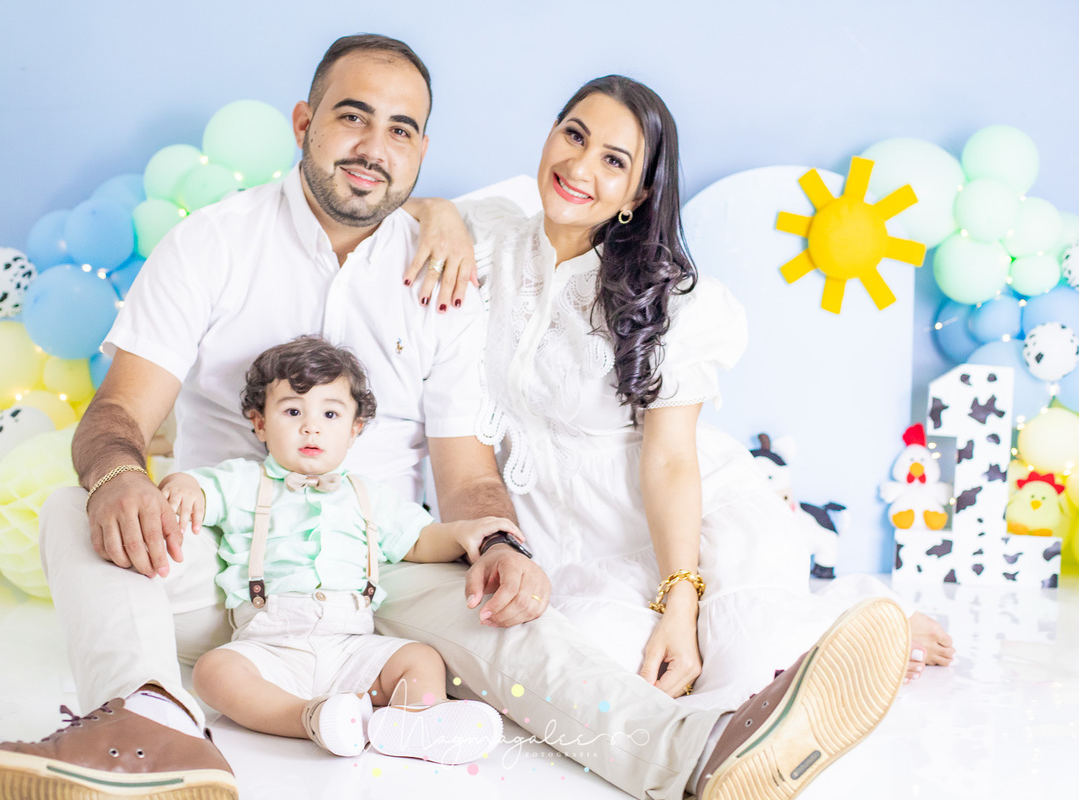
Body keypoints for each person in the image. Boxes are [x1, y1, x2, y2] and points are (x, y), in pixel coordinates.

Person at [0, 37, 908, 800]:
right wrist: (120, 477)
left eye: (401, 129)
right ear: (304, 123)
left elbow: (466, 467)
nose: (374, 145)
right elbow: (118, 411)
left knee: (502, 600)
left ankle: (695, 753)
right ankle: (149, 726)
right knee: (74, 504)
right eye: (352, 117)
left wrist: (499, 539)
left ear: (421, 152)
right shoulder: (213, 245)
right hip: (218, 559)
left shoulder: (441, 270)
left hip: (377, 568)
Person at [403, 74, 950, 794]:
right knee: (598, 667)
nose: (579, 166)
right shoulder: (491, 237)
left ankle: (854, 630)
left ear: (637, 193)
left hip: (681, 520)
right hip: (561, 535)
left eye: (613, 160)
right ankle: (757, 699)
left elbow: (668, 462)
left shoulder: (671, 301)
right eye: (573, 135)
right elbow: (391, 207)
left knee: (743, 649)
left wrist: (680, 602)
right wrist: (439, 213)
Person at [170, 336, 507, 762]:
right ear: (260, 423)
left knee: (419, 657)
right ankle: (307, 717)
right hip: (269, 645)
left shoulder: (369, 495)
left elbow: (419, 539)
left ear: (354, 429)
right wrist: (183, 483)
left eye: (330, 414)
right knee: (214, 672)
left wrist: (462, 533)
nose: (311, 427)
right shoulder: (242, 481)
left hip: (351, 645)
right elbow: (200, 488)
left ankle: (416, 720)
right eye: (293, 411)